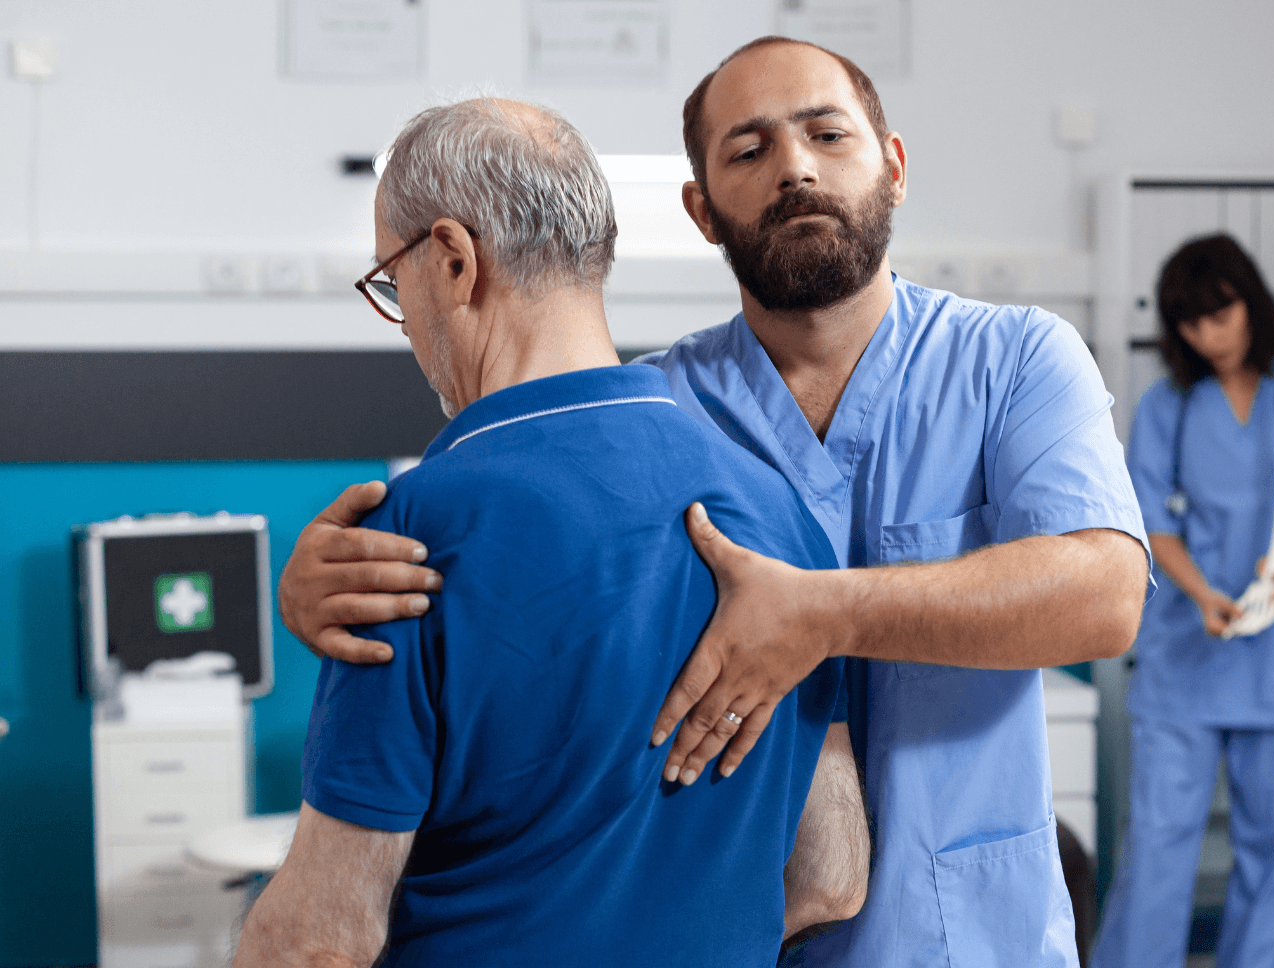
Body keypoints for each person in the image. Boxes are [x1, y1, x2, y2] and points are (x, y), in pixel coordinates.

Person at [278, 37, 1150, 966]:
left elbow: (1103, 598)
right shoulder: (658, 413)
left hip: (968, 935)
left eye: (827, 133)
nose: (796, 168)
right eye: (749, 151)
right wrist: (315, 591)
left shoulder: (1016, 361)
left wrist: (819, 611)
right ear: (700, 210)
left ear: (892, 167)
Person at [233, 97, 865, 968]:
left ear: (454, 261)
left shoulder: (403, 546)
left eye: (393, 282)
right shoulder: (782, 514)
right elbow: (832, 877)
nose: (405, 321)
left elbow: (317, 940)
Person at [1091, 234, 1274, 968]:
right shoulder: (1168, 406)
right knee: (1159, 844)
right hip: (1190, 646)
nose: (1207, 335)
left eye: (1220, 314)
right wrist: (1202, 593)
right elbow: (1149, 517)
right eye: (1190, 323)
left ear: (1251, 302)